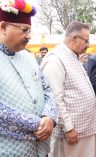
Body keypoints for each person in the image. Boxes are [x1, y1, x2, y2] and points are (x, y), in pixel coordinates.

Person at [0, 1, 58, 156]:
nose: (29, 36)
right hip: (10, 149)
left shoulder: (29, 57)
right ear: (3, 27)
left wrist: (50, 117)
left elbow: (47, 89)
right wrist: (39, 124)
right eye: (24, 30)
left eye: (30, 30)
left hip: (39, 148)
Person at [40, 21, 96, 157]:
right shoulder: (55, 59)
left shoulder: (72, 56)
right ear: (74, 38)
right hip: (70, 133)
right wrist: (68, 128)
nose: (88, 45)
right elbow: (55, 98)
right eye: (86, 40)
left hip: (84, 129)